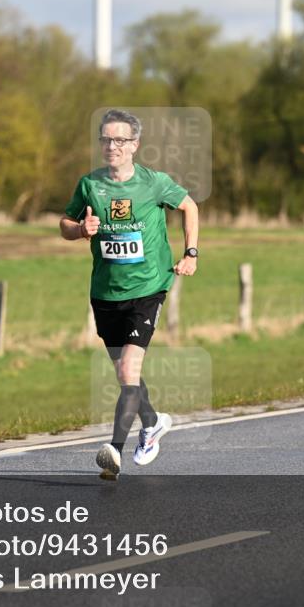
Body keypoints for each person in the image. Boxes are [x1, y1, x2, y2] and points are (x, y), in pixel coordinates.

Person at [60, 109, 199, 478]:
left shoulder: (154, 183)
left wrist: (191, 253)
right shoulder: (90, 184)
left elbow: (189, 206)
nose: (112, 146)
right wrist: (81, 230)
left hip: (148, 288)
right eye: (106, 139)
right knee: (127, 377)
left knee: (128, 369)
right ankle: (152, 424)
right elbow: (65, 223)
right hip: (106, 293)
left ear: (135, 145)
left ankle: (114, 450)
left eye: (120, 140)